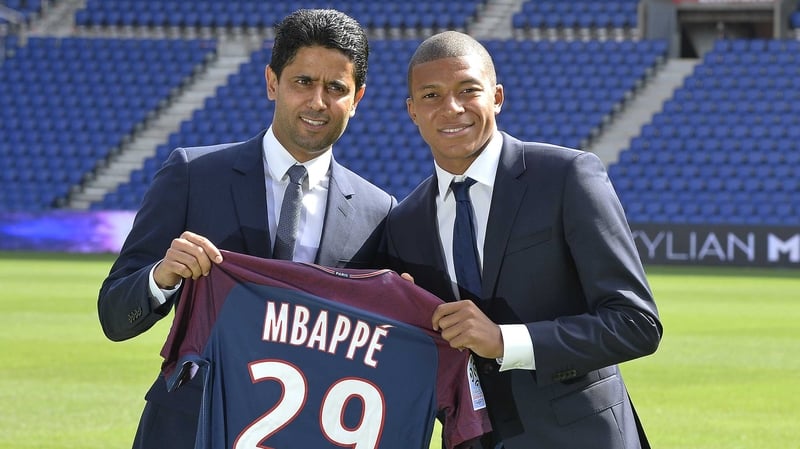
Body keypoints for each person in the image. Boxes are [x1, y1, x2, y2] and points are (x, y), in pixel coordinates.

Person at [97, 9, 395, 449]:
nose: (318, 101)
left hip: (309, 430)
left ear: (357, 98)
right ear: (272, 82)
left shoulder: (377, 211)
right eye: (303, 82)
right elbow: (114, 315)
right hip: (190, 427)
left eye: (336, 88)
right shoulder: (193, 175)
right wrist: (161, 277)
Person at [381, 31, 662, 449]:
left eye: (467, 90)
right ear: (412, 111)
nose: (451, 107)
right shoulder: (403, 222)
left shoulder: (567, 177)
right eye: (431, 95)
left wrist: (506, 341)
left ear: (496, 97)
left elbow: (636, 324)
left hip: (582, 438)